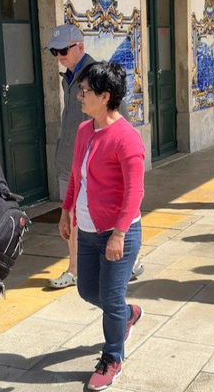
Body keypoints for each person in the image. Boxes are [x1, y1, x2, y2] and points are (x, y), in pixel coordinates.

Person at [58, 62, 145, 390]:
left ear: (105, 96)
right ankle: (127, 313)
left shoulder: (127, 138)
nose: (79, 95)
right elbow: (76, 176)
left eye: (85, 91)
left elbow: (135, 192)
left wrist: (120, 233)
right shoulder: (84, 130)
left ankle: (112, 358)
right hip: (89, 231)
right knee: (85, 289)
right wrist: (66, 211)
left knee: (109, 297)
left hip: (118, 232)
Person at [45, 25, 143, 289]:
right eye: (55, 51)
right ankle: (75, 268)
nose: (59, 56)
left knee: (107, 210)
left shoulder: (97, 77)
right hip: (73, 158)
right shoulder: (70, 75)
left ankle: (120, 260)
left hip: (99, 160)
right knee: (76, 217)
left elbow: (117, 116)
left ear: (80, 47)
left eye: (63, 50)